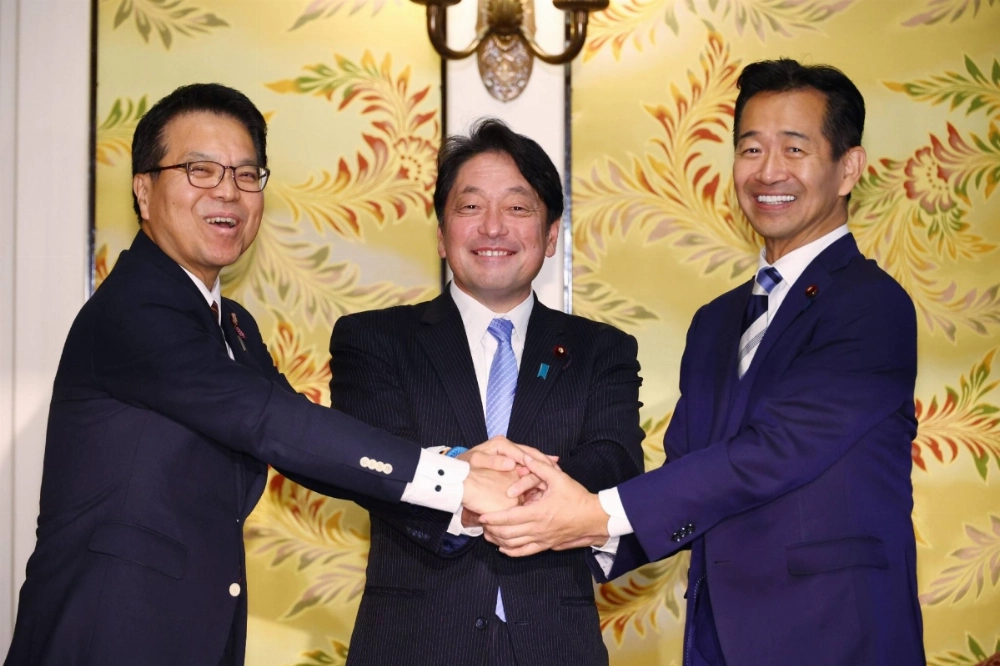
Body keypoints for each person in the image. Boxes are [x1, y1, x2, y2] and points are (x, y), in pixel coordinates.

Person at [4, 84, 531, 666]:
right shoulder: (134, 310)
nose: (227, 191)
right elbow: (270, 421)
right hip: (104, 634)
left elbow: (302, 438)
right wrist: (455, 482)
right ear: (144, 190)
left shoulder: (232, 325)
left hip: (194, 636)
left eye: (246, 173)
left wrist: (455, 468)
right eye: (199, 170)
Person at [481, 59, 925, 666]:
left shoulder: (871, 306)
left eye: (794, 149)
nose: (768, 171)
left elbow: (772, 452)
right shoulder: (718, 321)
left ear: (848, 167)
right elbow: (692, 465)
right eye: (750, 148)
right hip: (719, 637)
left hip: (837, 634)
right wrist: (573, 528)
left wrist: (592, 513)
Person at [317, 118, 644, 665]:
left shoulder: (602, 350)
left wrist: (483, 479)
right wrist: (479, 480)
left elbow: (615, 462)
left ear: (550, 233)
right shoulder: (373, 340)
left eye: (517, 208)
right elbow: (372, 463)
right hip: (413, 642)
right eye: (470, 207)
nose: (493, 227)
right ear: (442, 234)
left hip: (555, 642)